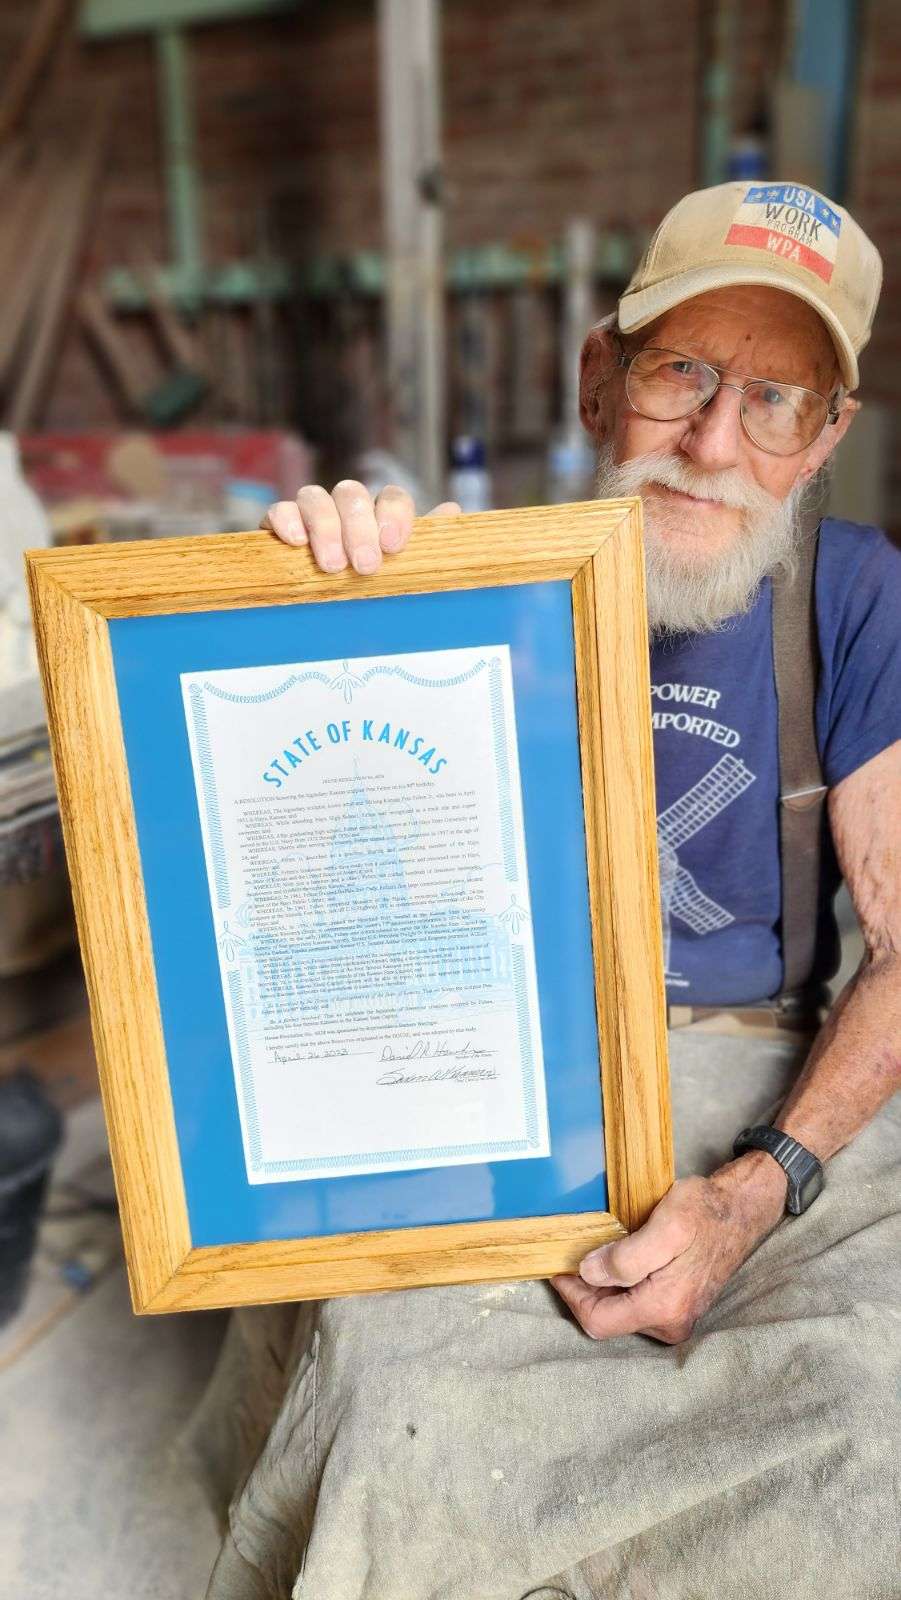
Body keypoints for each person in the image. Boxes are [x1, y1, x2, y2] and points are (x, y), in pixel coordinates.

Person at [189, 183, 901, 1599]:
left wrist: (760, 1189)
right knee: (403, 1418)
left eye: (772, 399)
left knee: (861, 1430)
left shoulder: (855, 592)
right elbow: (279, 875)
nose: (710, 443)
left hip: (767, 1081)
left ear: (822, 438)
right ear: (597, 380)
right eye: (678, 373)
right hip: (490, 1075)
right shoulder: (444, 580)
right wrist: (294, 608)